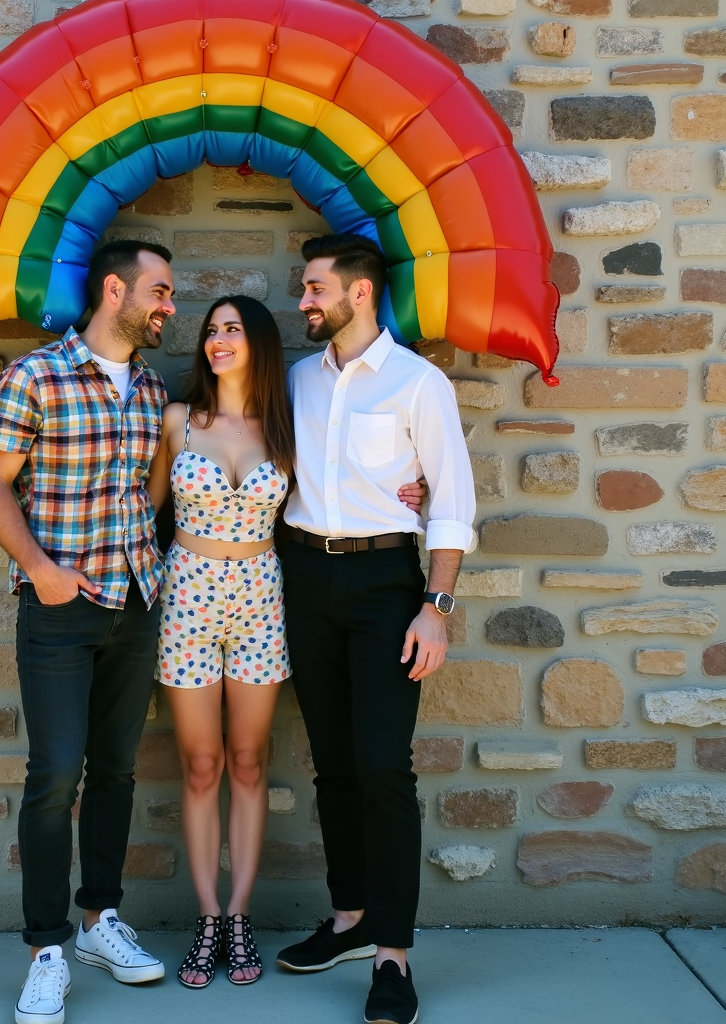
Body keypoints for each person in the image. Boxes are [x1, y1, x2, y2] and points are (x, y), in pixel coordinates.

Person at [146, 296, 427, 991]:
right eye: (211, 331)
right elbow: (144, 510)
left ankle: (239, 913)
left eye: (232, 330)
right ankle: (207, 916)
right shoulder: (178, 422)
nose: (217, 341)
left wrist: (407, 493)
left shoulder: (287, 429)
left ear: (259, 344)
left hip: (262, 604)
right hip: (188, 599)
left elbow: (344, 487)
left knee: (248, 762)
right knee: (201, 763)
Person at [0, 239, 177, 1024]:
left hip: (135, 602)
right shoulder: (35, 375)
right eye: (158, 291)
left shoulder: (155, 388)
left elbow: (151, 488)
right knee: (56, 775)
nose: (167, 307)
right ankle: (47, 949)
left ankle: (100, 922)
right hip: (58, 608)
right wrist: (41, 568)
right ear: (114, 289)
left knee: (117, 770)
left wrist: (147, 563)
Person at [275, 234, 477, 1024]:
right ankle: (351, 920)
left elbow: (451, 502)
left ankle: (393, 957)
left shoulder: (418, 383)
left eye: (315, 288)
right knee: (332, 766)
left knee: (384, 768)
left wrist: (438, 606)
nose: (304, 302)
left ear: (359, 293)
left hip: (385, 584)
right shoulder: (297, 379)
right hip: (305, 577)